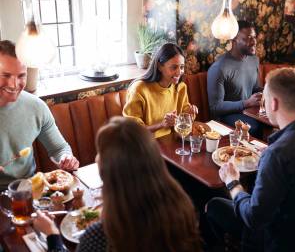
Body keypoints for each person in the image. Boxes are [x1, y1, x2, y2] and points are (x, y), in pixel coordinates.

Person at [206, 67, 295, 252]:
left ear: (273, 103)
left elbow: (254, 218)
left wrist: (232, 182)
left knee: (214, 205)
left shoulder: (278, 155)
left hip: (279, 241)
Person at [33, 117, 202, 252]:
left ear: (108, 170)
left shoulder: (100, 235)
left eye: (100, 152)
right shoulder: (183, 206)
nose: (96, 157)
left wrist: (51, 234)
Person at [0, 40, 78, 190]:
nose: (14, 84)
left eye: (21, 75)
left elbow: (59, 148)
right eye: (6, 75)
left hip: (28, 190)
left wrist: (65, 158)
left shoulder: (36, 106)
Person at [123, 42, 197, 138]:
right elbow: (133, 130)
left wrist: (190, 114)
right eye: (174, 67)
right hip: (144, 144)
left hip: (171, 141)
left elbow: (182, 121)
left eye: (182, 67)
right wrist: (161, 124)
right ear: (159, 66)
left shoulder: (180, 87)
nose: (179, 72)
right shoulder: (139, 89)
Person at [207, 20, 262, 137]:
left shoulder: (254, 60)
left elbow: (256, 89)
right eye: (248, 38)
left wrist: (267, 94)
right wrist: (246, 103)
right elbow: (215, 107)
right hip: (226, 116)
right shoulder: (219, 68)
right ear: (234, 40)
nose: (254, 42)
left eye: (254, 37)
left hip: (249, 111)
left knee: (276, 122)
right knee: (255, 127)